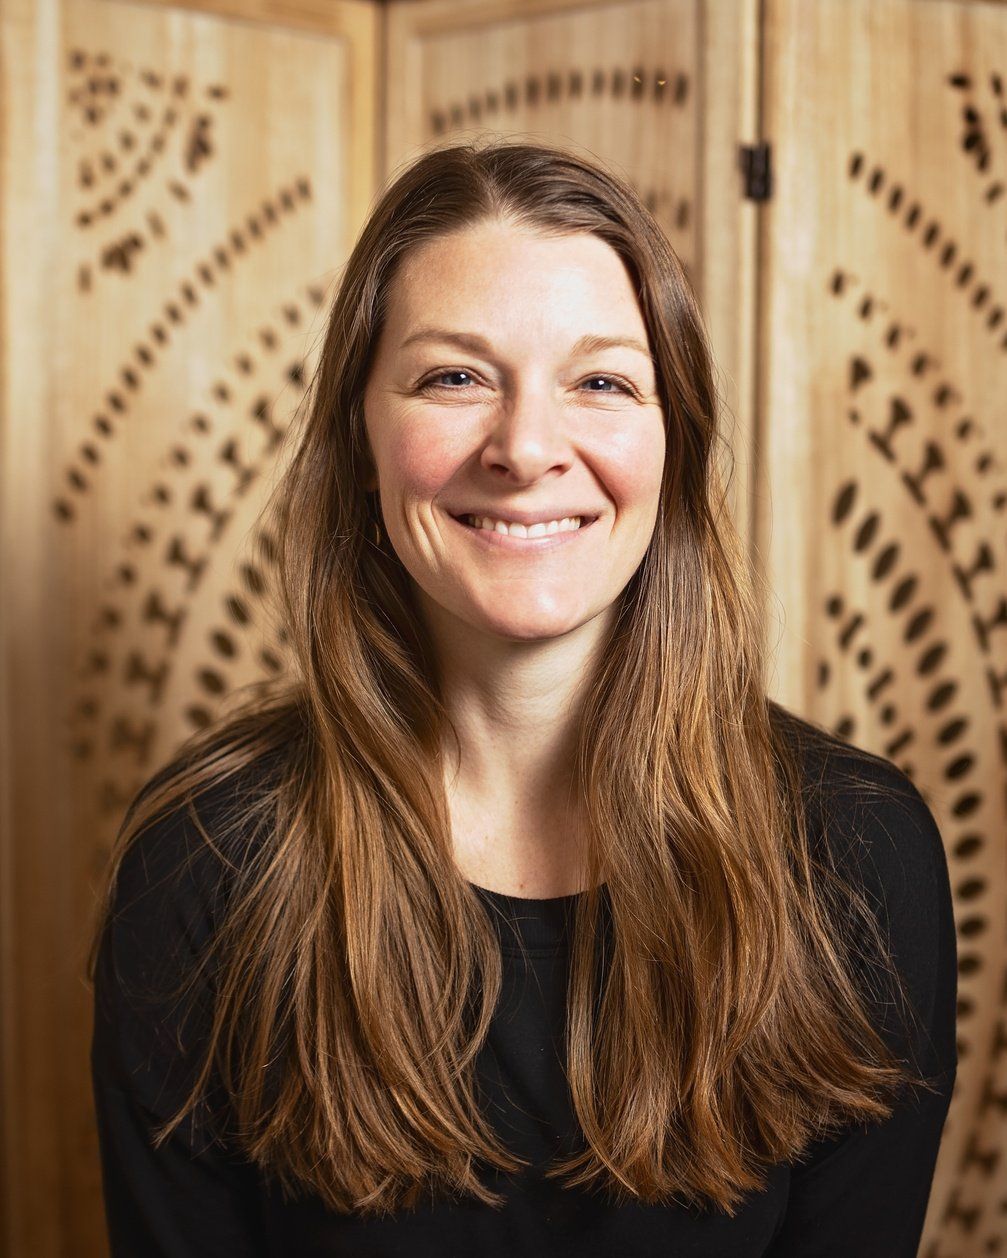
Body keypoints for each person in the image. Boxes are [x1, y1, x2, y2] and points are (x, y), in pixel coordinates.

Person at [87, 137, 957, 1257]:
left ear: (673, 442)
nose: (527, 447)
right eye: (454, 376)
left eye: (599, 381)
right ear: (360, 437)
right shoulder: (203, 862)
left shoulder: (855, 854)